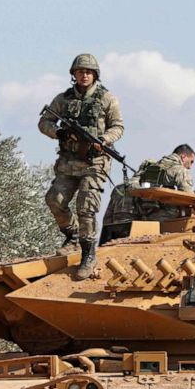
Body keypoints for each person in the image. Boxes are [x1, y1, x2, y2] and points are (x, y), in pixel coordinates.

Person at [38, 53, 124, 280]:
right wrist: (58, 132)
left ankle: (88, 253)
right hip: (68, 161)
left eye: (88, 72)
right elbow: (44, 122)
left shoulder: (107, 99)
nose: (84, 75)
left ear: (95, 75)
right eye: (80, 71)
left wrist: (103, 140)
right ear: (73, 74)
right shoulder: (63, 99)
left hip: (95, 162)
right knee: (54, 200)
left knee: (86, 207)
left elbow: (118, 126)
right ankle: (72, 235)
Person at [135, 144, 195, 221]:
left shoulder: (151, 167)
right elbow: (189, 197)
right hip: (167, 217)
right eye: (191, 161)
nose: (190, 166)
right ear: (183, 157)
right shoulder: (181, 171)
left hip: (143, 215)